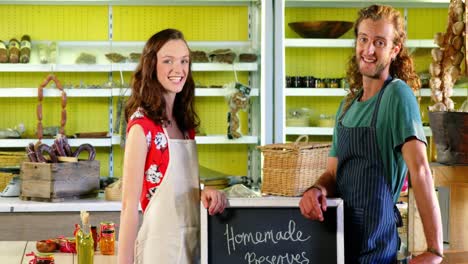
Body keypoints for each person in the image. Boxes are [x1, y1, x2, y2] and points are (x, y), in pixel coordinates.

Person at [299, 5, 443, 264]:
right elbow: (333, 173)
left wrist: (434, 249)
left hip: (376, 248)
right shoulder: (347, 106)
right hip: (340, 245)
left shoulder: (397, 95)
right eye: (363, 39)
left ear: (394, 50)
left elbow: (420, 171)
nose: (369, 50)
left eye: (379, 42)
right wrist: (317, 189)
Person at [118, 28, 227, 264]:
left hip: (191, 249)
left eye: (184, 61)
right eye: (168, 61)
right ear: (151, 66)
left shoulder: (185, 125)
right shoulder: (142, 126)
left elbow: (178, 191)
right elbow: (128, 208)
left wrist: (203, 193)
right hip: (158, 253)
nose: (178, 70)